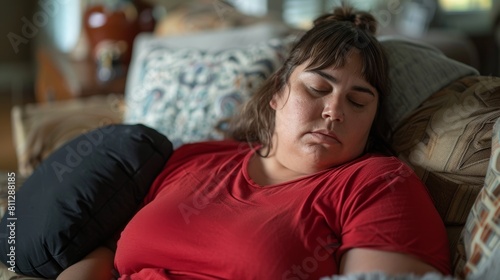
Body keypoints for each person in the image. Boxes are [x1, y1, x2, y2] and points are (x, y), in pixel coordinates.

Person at [57, 5, 451, 280]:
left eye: (357, 100)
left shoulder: (376, 184)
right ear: (277, 94)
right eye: (317, 87)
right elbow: (107, 254)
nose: (334, 111)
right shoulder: (193, 158)